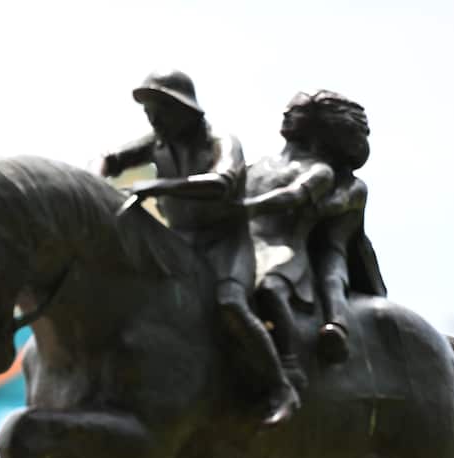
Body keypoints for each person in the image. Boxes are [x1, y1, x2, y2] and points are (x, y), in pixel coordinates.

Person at [100, 69, 299, 425]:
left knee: (231, 305)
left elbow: (222, 182)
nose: (153, 119)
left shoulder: (220, 140)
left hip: (225, 243)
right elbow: (111, 159)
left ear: (183, 110)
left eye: (159, 111)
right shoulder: (156, 142)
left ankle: (281, 387)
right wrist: (92, 180)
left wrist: (159, 187)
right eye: (149, 113)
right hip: (180, 243)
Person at [243, 90, 385, 366]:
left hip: (331, 248)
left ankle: (336, 327)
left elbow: (333, 205)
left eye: (297, 112)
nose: (286, 113)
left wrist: (311, 203)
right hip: (277, 241)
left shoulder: (346, 183)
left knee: (332, 277)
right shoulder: (261, 166)